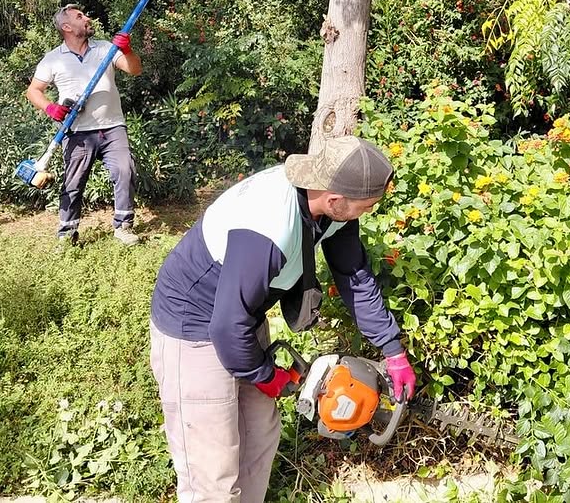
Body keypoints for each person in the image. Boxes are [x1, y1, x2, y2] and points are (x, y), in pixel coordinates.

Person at [149, 136, 417, 503]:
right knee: (212, 471)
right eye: (366, 206)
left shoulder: (330, 207)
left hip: (241, 316)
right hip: (194, 325)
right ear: (336, 200)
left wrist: (393, 350)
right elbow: (226, 325)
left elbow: (353, 275)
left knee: (260, 434)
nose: (367, 213)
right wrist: (264, 375)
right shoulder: (268, 224)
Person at [25, 4, 143, 248]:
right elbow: (33, 91)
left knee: (125, 170)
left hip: (112, 127)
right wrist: (50, 108)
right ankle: (67, 234)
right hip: (77, 131)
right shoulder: (53, 59)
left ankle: (123, 227)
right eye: (80, 17)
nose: (87, 18)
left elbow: (135, 69)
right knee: (73, 182)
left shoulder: (106, 49)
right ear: (67, 27)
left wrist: (127, 50)